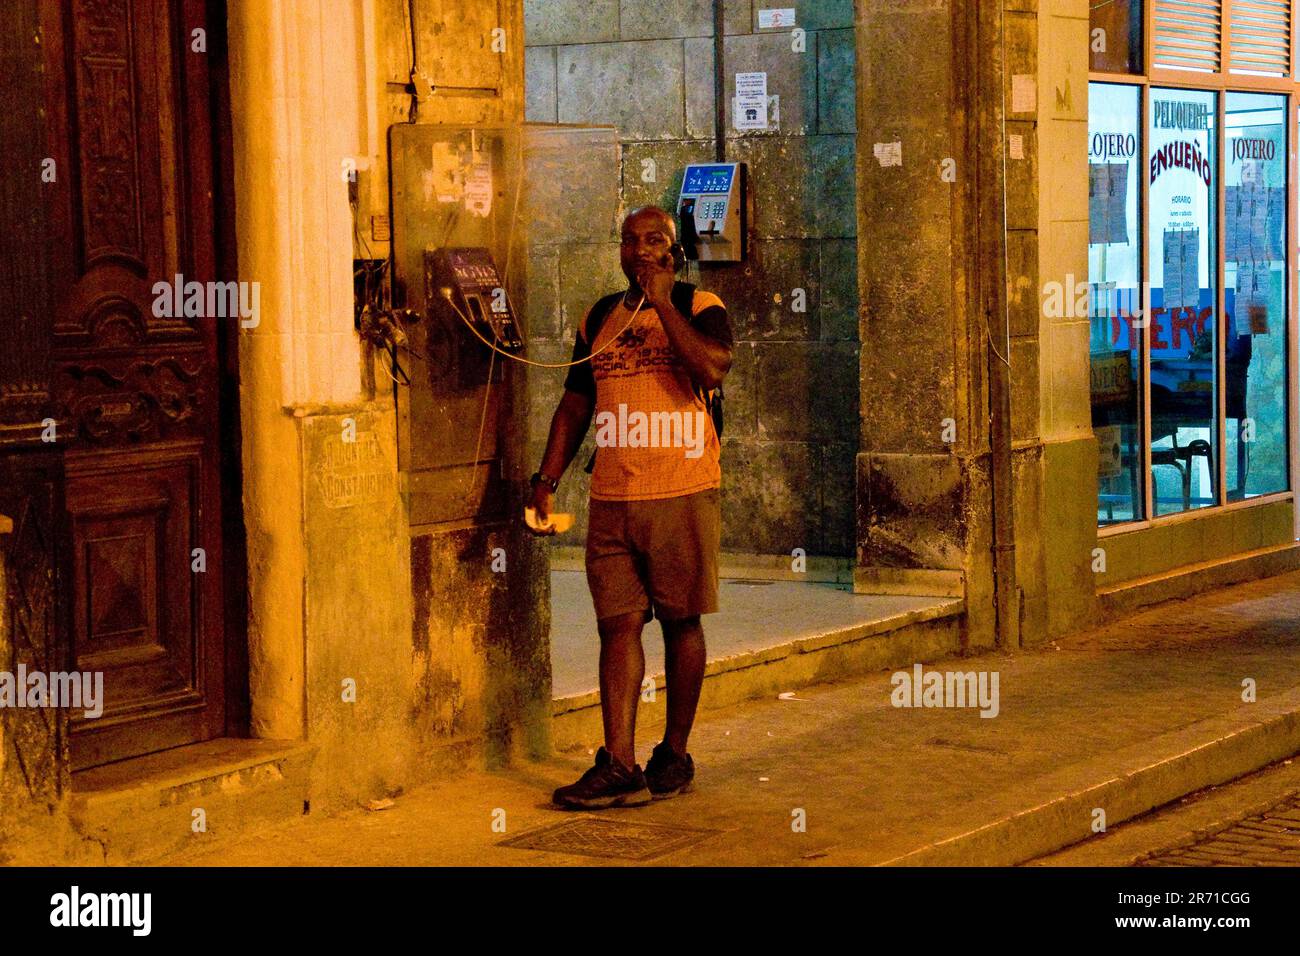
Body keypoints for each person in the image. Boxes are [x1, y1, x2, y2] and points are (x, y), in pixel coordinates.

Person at [527, 205, 733, 809]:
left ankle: (673, 751)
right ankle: (619, 763)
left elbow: (714, 367)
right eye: (630, 242)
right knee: (616, 626)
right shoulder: (599, 317)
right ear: (619, 251)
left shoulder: (701, 306)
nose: (641, 251)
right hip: (613, 497)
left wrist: (664, 303)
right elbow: (574, 404)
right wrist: (546, 477)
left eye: (654, 241)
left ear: (674, 251)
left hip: (682, 491)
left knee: (682, 622)